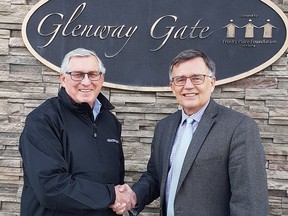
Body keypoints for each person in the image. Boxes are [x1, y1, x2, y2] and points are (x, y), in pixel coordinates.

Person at [112, 49, 269, 215]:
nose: (188, 86)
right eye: (180, 79)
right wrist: (134, 196)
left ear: (212, 82)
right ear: (172, 87)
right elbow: (156, 176)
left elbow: (250, 204)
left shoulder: (239, 128)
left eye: (196, 78)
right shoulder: (164, 127)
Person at [19, 48, 136, 216]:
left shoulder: (110, 122)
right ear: (63, 79)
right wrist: (111, 195)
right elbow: (51, 186)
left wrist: (119, 200)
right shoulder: (42, 120)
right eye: (78, 75)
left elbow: (114, 180)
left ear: (101, 79)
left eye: (93, 74)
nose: (86, 82)